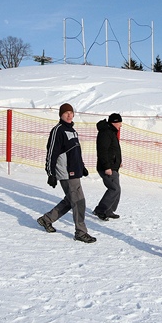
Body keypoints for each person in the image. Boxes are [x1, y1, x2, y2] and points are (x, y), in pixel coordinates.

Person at [36, 103, 96, 243]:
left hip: (74, 171)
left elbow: (75, 152)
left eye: (71, 112)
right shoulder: (58, 130)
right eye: (66, 113)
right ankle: (81, 233)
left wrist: (82, 166)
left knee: (71, 200)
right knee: (79, 202)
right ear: (61, 115)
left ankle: (46, 220)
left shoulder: (73, 131)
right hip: (66, 172)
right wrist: (50, 173)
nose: (69, 115)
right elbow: (51, 153)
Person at [93, 113, 123, 221]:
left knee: (117, 189)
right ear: (114, 122)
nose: (121, 125)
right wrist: (106, 167)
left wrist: (118, 161)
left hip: (113, 166)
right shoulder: (105, 133)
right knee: (114, 189)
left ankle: (109, 210)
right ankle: (101, 210)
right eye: (119, 123)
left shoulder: (111, 132)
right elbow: (102, 151)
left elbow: (113, 150)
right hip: (106, 167)